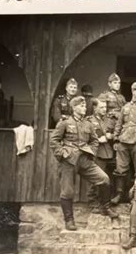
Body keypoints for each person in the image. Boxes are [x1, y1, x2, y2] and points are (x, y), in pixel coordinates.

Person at [49, 96, 118, 231]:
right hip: (69, 160)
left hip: (84, 159)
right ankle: (69, 220)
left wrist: (91, 151)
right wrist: (62, 154)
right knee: (67, 191)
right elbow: (54, 141)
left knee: (104, 179)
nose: (84, 108)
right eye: (81, 106)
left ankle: (105, 207)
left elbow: (94, 140)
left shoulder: (88, 124)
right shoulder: (65, 122)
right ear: (74, 108)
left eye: (85, 106)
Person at [86, 98, 115, 209]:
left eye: (105, 107)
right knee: (96, 179)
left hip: (109, 153)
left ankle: (106, 202)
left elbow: (114, 133)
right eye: (101, 107)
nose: (104, 109)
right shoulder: (89, 121)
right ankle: (93, 202)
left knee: (109, 178)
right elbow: (85, 137)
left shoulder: (108, 120)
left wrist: (111, 136)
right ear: (95, 108)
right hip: (97, 153)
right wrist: (98, 139)